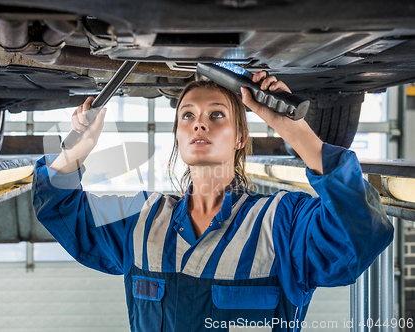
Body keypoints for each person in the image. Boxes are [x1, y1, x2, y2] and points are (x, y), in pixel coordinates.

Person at [32, 72, 394, 332]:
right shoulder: (142, 220)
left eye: (216, 115)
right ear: (177, 135)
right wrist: (79, 148)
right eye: (187, 115)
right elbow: (61, 209)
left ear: (240, 137)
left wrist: (293, 129)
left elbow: (362, 231)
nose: (198, 125)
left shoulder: (280, 223)